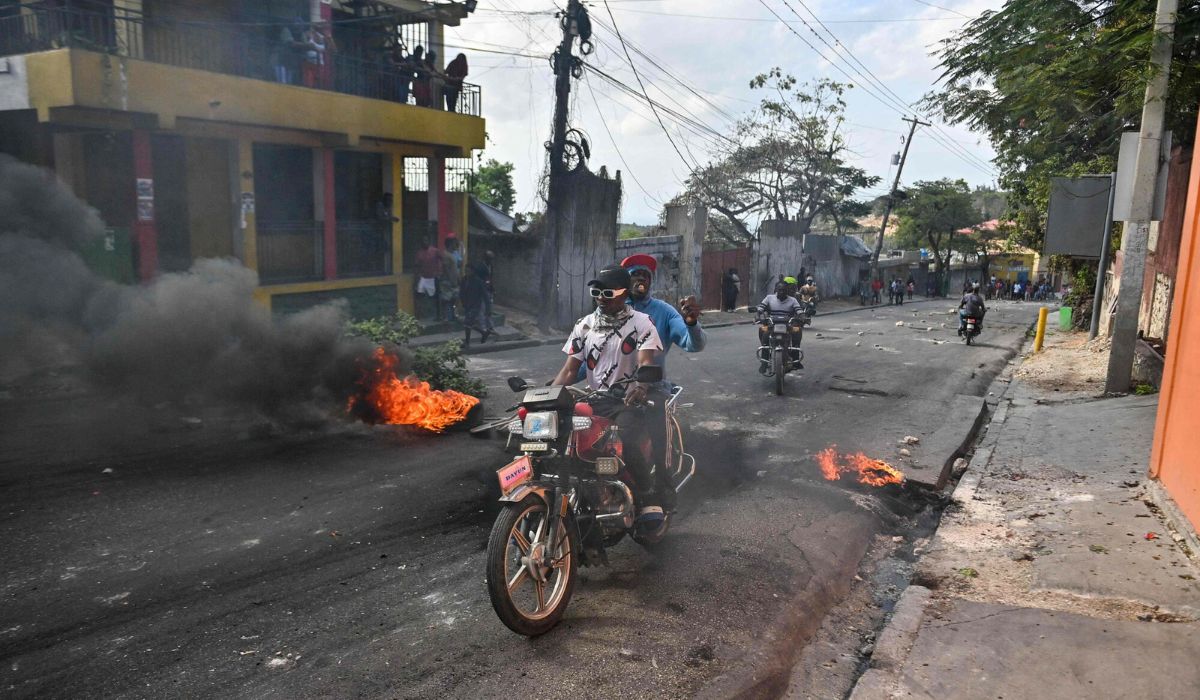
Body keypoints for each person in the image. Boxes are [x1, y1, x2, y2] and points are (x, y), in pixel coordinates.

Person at [552, 265, 665, 530]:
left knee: (628, 436)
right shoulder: (585, 324)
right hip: (595, 399)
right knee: (562, 435)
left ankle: (647, 494)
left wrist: (641, 386)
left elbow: (646, 360)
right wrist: (546, 396)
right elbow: (570, 369)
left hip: (627, 399)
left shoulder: (641, 323)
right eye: (596, 292)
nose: (601, 297)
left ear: (624, 293)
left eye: (608, 292)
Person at [619, 254, 705, 511]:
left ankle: (664, 486)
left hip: (652, 386)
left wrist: (691, 323)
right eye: (635, 273)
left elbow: (693, 344)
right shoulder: (613, 310)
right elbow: (592, 357)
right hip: (615, 387)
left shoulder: (664, 312)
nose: (641, 278)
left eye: (646, 274)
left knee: (658, 425)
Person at [757, 281, 804, 374]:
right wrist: (758, 315)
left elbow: (799, 311)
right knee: (764, 335)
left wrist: (802, 317)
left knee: (797, 331)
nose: (782, 292)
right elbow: (760, 309)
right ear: (776, 290)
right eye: (780, 290)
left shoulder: (793, 300)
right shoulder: (769, 298)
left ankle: (795, 360)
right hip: (772, 324)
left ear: (787, 291)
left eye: (784, 290)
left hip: (788, 325)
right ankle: (764, 362)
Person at [460, 262, 491, 347]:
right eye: (466, 270)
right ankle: (484, 332)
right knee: (470, 323)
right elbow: (461, 292)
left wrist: (488, 309)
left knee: (467, 323)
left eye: (468, 271)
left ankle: (467, 342)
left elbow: (485, 296)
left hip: (475, 305)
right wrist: (462, 302)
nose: (467, 272)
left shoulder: (478, 281)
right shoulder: (464, 279)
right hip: (467, 305)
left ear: (473, 271)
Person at [414, 235, 442, 320]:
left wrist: (440, 271)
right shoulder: (419, 253)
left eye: (426, 240)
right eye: (423, 241)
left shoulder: (435, 251)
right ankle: (418, 316)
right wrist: (416, 277)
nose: (424, 242)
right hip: (423, 277)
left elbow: (442, 260)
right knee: (419, 296)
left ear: (429, 241)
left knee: (436, 297)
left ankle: (438, 316)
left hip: (433, 277)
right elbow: (416, 265)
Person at [440, 236, 462, 322]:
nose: (455, 245)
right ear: (450, 244)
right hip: (447, 281)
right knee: (446, 299)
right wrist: (451, 280)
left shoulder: (453, 254)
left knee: (454, 299)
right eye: (453, 243)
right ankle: (445, 316)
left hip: (454, 281)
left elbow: (456, 269)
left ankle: (453, 315)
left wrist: (458, 279)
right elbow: (446, 269)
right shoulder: (446, 254)